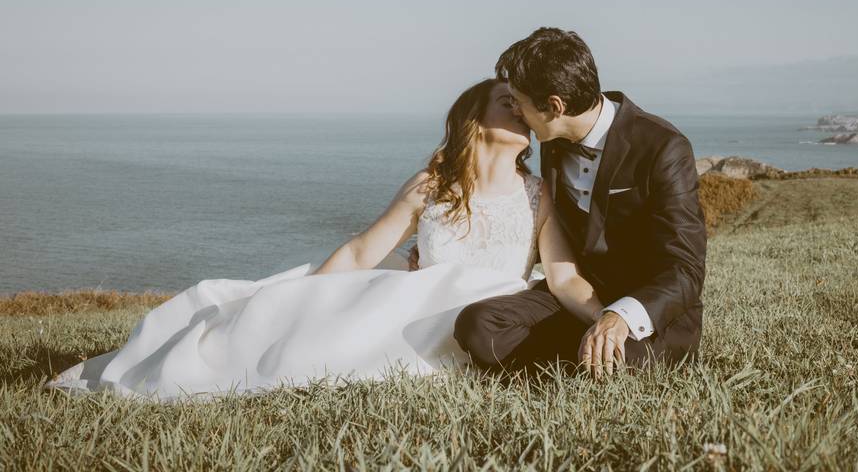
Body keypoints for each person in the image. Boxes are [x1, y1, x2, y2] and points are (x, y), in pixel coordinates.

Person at [45, 79, 607, 400]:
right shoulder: (430, 187)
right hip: (409, 309)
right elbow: (365, 251)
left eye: (522, 105)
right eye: (506, 101)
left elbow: (562, 275)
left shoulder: (538, 196)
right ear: (472, 119)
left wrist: (609, 320)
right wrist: (305, 294)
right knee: (291, 346)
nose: (521, 110)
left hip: (484, 318)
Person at [453, 28, 707, 377]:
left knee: (621, 360)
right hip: (579, 299)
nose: (515, 110)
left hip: (649, 315)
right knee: (478, 326)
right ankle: (581, 359)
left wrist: (621, 316)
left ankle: (586, 360)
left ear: (554, 106)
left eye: (518, 102)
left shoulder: (664, 147)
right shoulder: (552, 141)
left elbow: (686, 269)